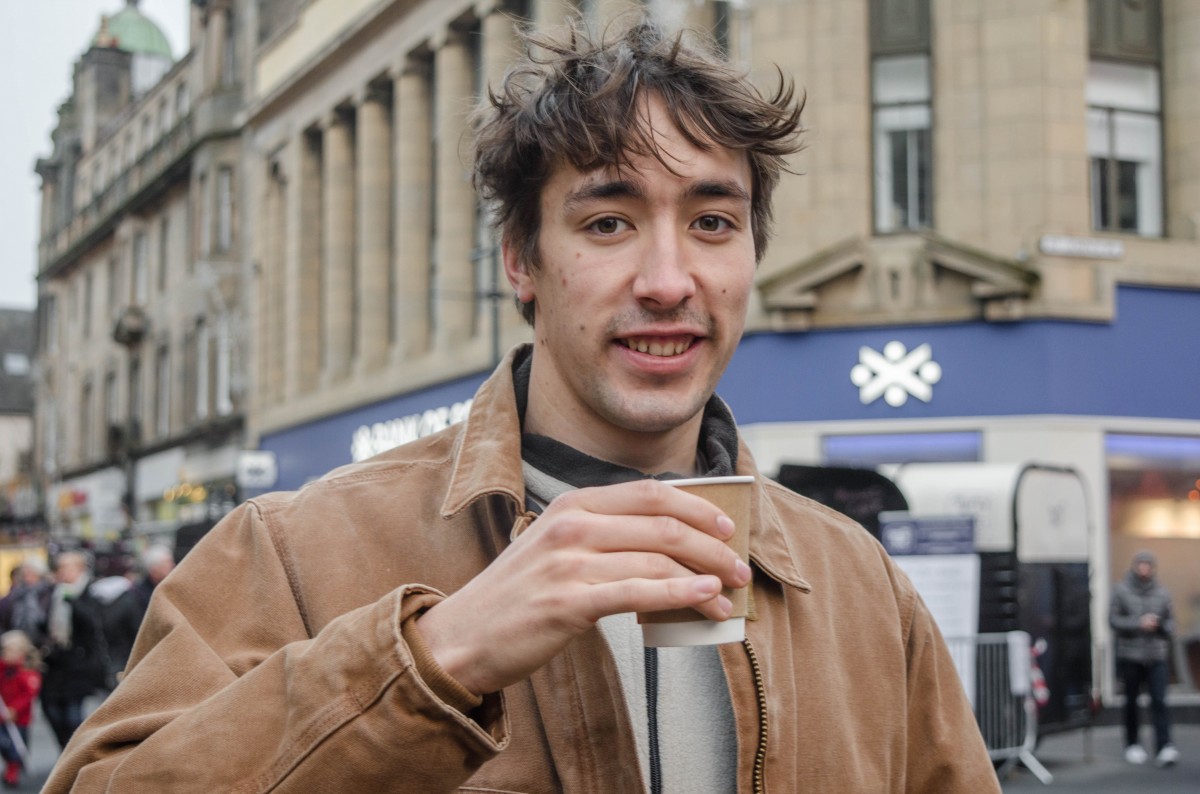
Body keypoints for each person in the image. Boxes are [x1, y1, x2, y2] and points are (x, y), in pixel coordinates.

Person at [44, 17, 997, 792]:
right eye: (609, 222)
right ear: (521, 262)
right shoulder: (291, 554)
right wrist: (435, 659)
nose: (669, 280)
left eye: (712, 222)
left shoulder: (862, 587)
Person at [1109, 550, 1179, 768]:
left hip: (1156, 655)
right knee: (1131, 702)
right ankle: (1132, 744)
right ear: (1134, 566)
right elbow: (1113, 621)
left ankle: (1164, 746)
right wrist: (1138, 623)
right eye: (1141, 564)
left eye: (1148, 565)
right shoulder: (1121, 590)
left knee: (1159, 701)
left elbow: (1171, 625)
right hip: (1130, 655)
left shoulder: (1162, 593)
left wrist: (1158, 625)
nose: (1144, 568)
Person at [39, 551, 108, 751]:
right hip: (58, 662)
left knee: (73, 714)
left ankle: (78, 754)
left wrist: (73, 600)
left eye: (65, 568)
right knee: (52, 710)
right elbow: (49, 621)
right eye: (59, 568)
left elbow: (93, 622)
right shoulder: (56, 592)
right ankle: (67, 751)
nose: (61, 573)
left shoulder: (89, 590)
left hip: (81, 662)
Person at [0, 630, 41, 788]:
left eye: (10, 650)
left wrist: (15, 709)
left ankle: (13, 770)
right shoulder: (3, 668)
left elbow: (28, 695)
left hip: (19, 718)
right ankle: (10, 764)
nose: (6, 653)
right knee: (3, 743)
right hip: (3, 715)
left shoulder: (27, 673)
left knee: (15, 745)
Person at [0, 559, 52, 650]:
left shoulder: (48, 592)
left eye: (31, 573)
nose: (27, 577)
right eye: (25, 574)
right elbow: (5, 615)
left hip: (41, 641)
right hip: (16, 640)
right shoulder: (16, 594)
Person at [128, 544, 174, 620]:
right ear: (154, 570)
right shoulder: (139, 596)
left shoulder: (166, 589)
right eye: (168, 563)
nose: (173, 566)